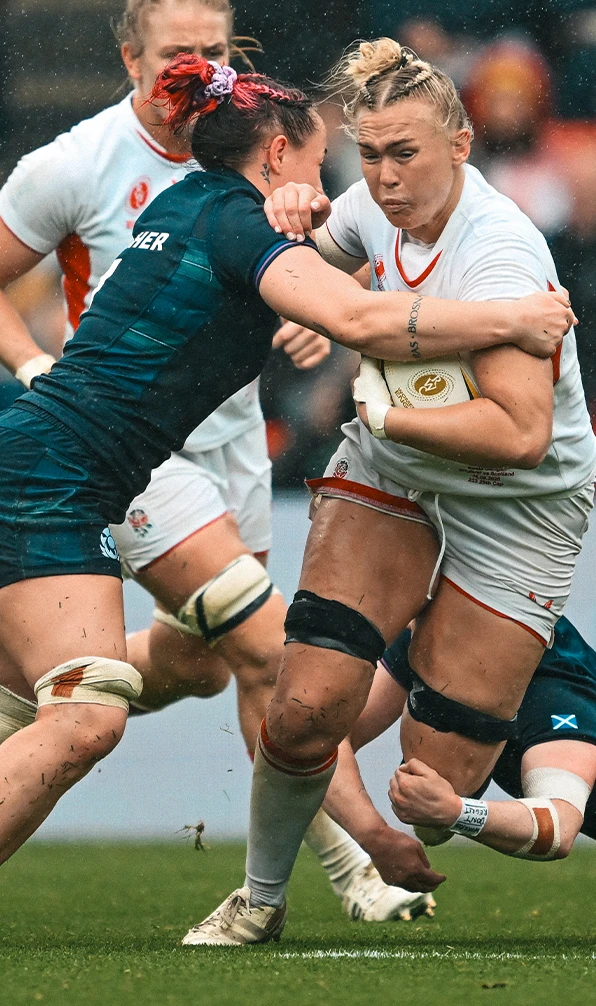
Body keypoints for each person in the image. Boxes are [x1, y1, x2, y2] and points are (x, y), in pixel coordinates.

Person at [0, 51, 563, 906]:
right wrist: (512, 315)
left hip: (46, 460)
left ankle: (337, 859)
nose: (330, 183)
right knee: (87, 711)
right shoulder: (235, 224)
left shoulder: (191, 203)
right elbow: (360, 314)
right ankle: (346, 862)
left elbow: (316, 283)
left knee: (78, 690)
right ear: (273, 156)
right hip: (51, 475)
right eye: (316, 160)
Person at [186, 37, 594, 946]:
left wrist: (384, 410)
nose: (384, 175)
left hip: (516, 507)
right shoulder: (372, 205)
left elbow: (522, 435)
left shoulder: (501, 255)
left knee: (434, 786)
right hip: (397, 470)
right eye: (367, 154)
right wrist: (290, 215)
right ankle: (259, 899)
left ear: (461, 141)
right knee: (299, 712)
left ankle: (437, 649)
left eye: (405, 153)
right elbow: (316, 264)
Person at [380, 617, 596, 862]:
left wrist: (456, 812)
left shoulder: (552, 697)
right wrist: (373, 836)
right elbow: (332, 736)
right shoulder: (432, 633)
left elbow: (560, 827)